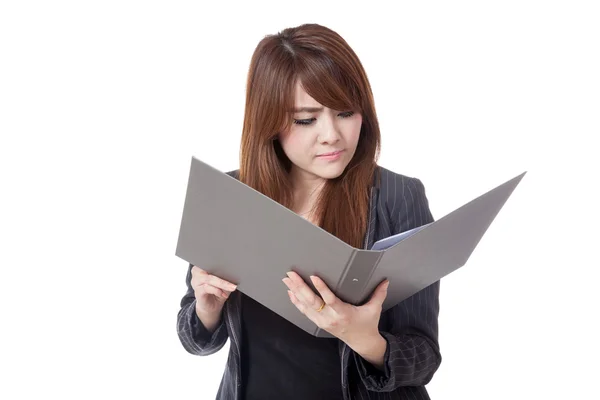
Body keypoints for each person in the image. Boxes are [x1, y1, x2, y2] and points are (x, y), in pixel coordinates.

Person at [176, 23, 441, 400]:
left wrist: (365, 339)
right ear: (269, 122)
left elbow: (425, 358)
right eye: (306, 119)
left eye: (346, 112)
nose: (332, 134)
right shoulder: (229, 196)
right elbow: (194, 339)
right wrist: (207, 308)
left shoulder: (398, 196)